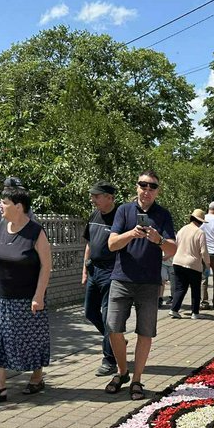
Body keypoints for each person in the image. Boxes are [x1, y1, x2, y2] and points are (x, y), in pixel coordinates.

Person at [0, 183, 52, 402]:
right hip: (2, 298)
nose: (0, 205)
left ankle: (37, 377)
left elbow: (46, 266)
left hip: (27, 299)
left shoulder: (35, 232)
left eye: (5, 202)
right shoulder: (1, 227)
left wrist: (39, 296)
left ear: (18, 206)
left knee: (31, 340)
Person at [106, 170, 177, 401]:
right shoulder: (124, 210)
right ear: (136, 187)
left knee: (145, 332)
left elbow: (172, 250)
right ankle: (122, 371)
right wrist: (130, 234)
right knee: (113, 328)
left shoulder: (163, 215)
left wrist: (158, 239)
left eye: (152, 187)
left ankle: (136, 379)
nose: (147, 190)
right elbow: (112, 244)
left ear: (158, 190)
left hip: (148, 283)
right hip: (121, 279)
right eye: (143, 185)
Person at [82, 181, 118, 376]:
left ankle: (109, 359)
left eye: (97, 196)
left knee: (107, 315)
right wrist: (84, 269)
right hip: (94, 270)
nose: (93, 199)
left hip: (111, 272)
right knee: (89, 312)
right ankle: (115, 340)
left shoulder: (119, 218)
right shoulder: (94, 215)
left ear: (109, 198)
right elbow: (89, 244)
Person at [170, 208, 210, 319]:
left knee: (180, 287)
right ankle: (195, 312)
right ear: (201, 221)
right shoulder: (200, 233)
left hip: (178, 261)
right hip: (193, 264)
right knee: (195, 289)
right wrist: (207, 264)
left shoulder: (182, 229)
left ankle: (174, 309)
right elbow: (204, 251)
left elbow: (176, 244)